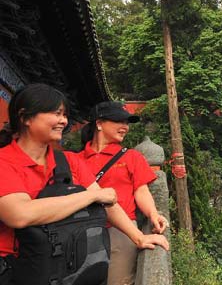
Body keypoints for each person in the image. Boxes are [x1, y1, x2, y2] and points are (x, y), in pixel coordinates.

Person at [0, 83, 168, 285]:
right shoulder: (4, 162)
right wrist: (91, 196)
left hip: (63, 264)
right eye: (56, 113)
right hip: (18, 270)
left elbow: (108, 203)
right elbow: (20, 214)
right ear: (25, 117)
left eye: (64, 114)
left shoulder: (69, 161)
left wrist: (139, 237)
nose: (63, 121)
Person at [79, 101, 168, 285]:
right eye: (119, 121)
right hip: (83, 232)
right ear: (99, 123)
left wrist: (153, 214)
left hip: (122, 231)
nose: (125, 127)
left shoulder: (131, 156)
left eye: (127, 122)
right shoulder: (76, 159)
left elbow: (141, 191)